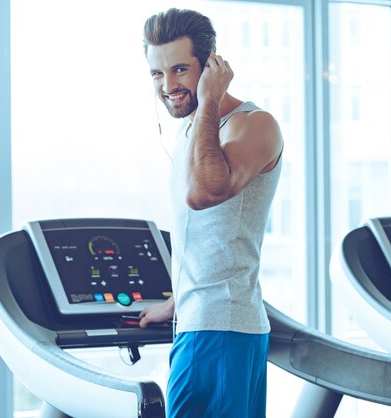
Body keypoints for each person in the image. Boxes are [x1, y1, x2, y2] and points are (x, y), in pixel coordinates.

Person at [139, 8, 283, 418]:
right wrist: (176, 301)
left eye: (180, 69)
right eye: (157, 74)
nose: (168, 86)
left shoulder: (252, 125)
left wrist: (211, 100)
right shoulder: (195, 129)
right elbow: (201, 234)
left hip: (221, 330)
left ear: (212, 64)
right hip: (203, 323)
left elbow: (204, 194)